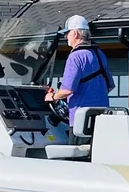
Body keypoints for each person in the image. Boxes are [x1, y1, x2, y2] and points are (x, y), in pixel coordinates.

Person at [44, 15, 115, 143]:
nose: (66, 37)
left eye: (67, 33)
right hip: (101, 119)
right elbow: (110, 86)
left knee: (77, 159)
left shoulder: (75, 57)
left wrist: (52, 96)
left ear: (75, 34)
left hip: (80, 121)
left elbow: (67, 90)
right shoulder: (100, 54)